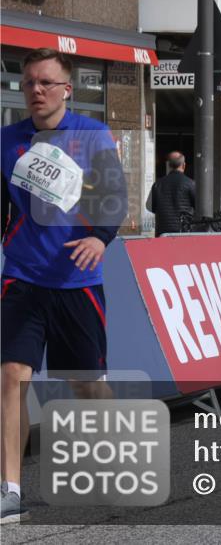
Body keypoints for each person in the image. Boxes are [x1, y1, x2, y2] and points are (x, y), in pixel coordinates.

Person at [1, 48, 127, 523]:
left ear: (67, 90)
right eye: (29, 82)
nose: (35, 90)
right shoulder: (6, 140)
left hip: (78, 281)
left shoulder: (93, 135)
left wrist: (100, 237)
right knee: (12, 377)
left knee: (86, 385)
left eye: (46, 83)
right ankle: (10, 489)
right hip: (22, 278)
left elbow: (115, 196)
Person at [146, 151, 196, 236]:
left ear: (168, 165)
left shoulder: (158, 184)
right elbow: (198, 206)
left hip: (162, 232)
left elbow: (149, 206)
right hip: (183, 231)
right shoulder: (190, 183)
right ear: (184, 165)